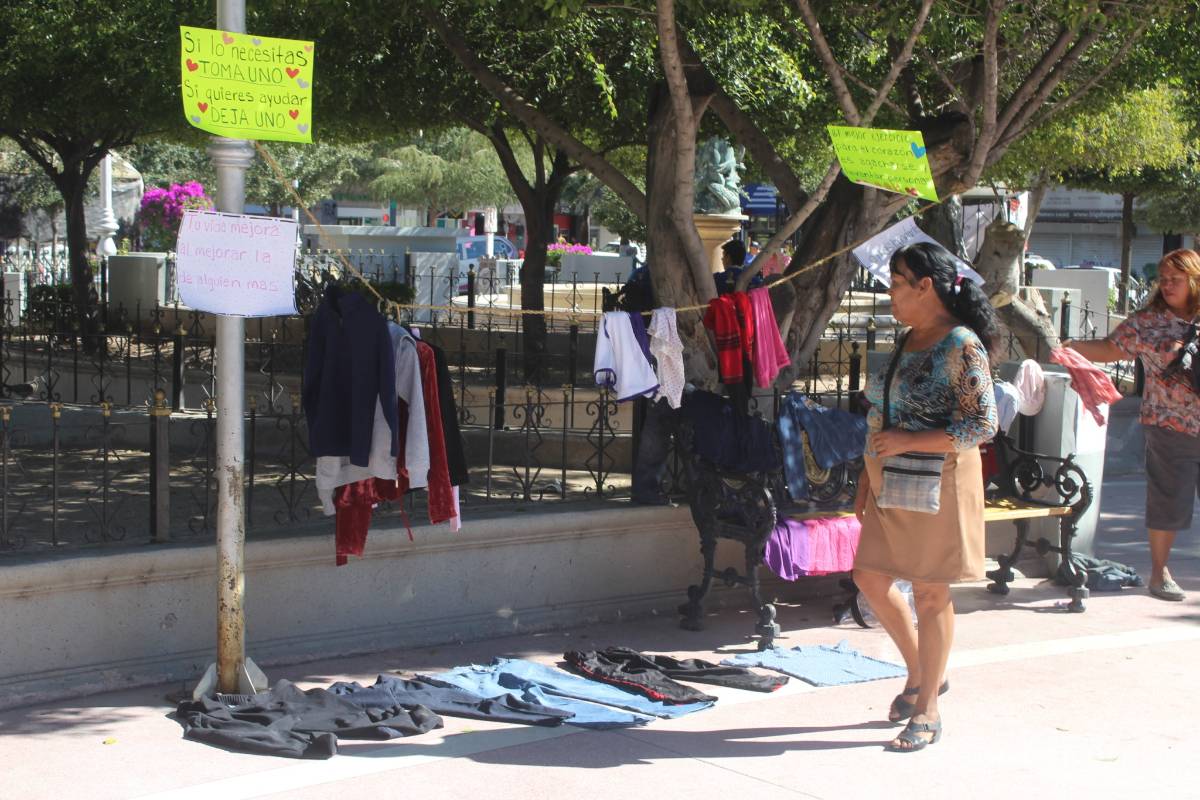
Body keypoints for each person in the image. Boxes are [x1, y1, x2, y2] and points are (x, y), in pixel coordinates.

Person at [852, 241, 999, 752]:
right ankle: (923, 675)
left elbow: (982, 424)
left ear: (925, 287)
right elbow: (881, 412)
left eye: (896, 283)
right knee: (869, 576)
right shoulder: (908, 339)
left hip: (941, 481)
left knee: (932, 592)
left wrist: (908, 442)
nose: (890, 292)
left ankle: (929, 710)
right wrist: (867, 475)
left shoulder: (961, 343)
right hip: (892, 477)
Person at [1064, 248, 1200, 602]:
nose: (1167, 285)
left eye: (1176, 279)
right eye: (1163, 279)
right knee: (1168, 500)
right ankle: (1159, 573)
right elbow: (1112, 348)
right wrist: (1071, 346)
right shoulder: (1149, 321)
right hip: (1170, 425)